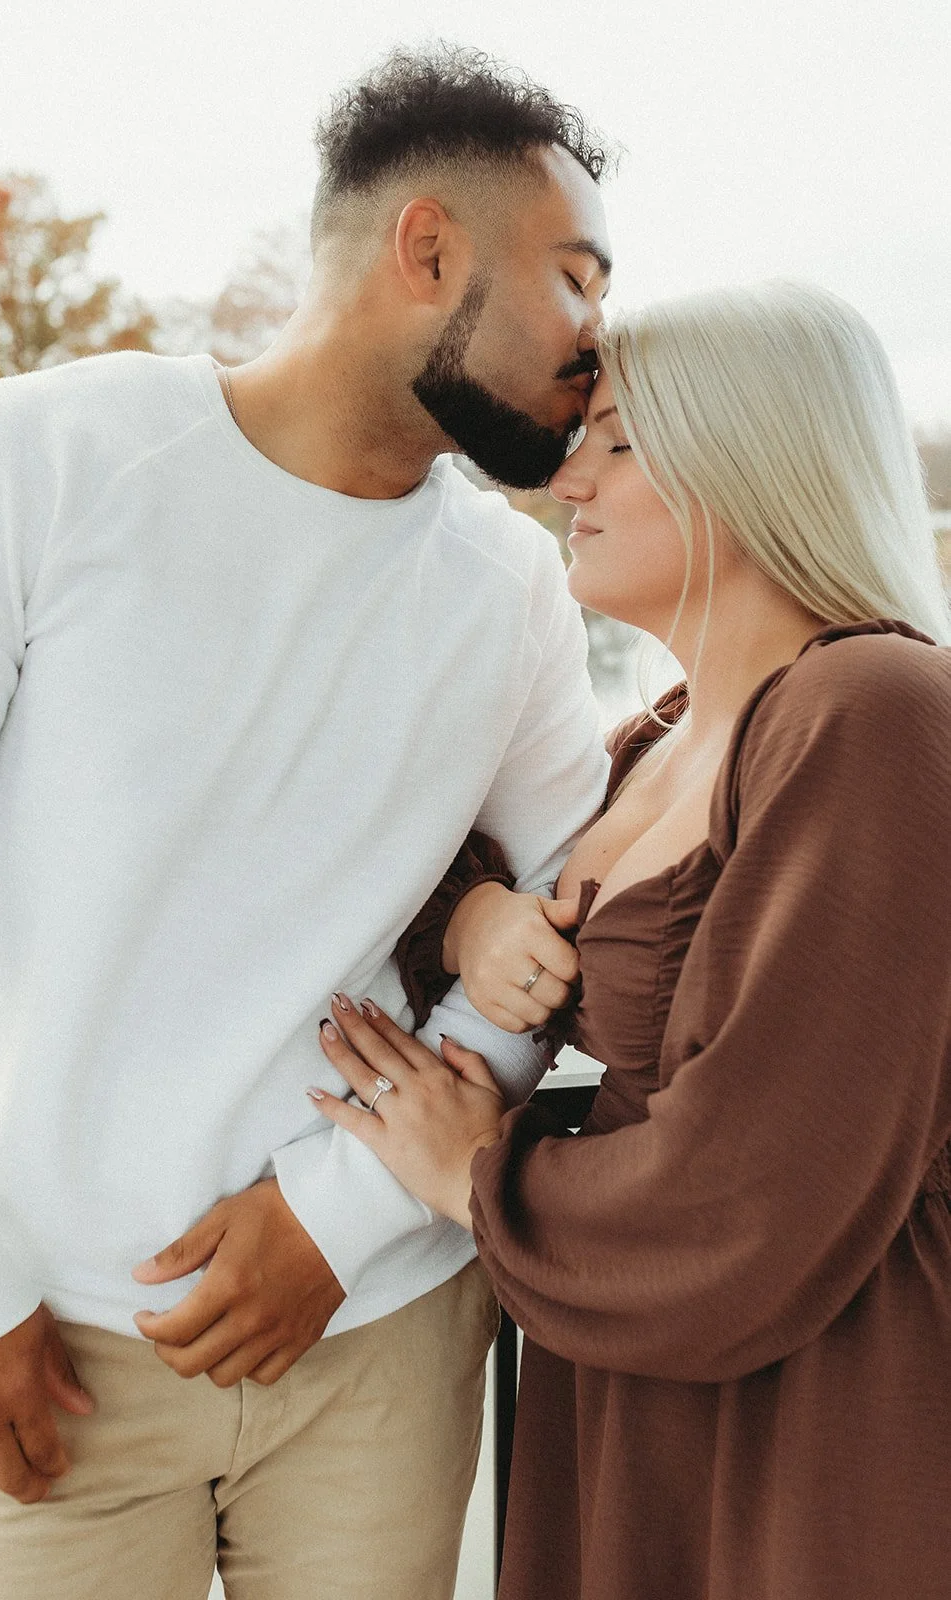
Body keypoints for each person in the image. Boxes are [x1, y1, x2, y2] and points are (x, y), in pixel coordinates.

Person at [0, 46, 615, 1600]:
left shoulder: (511, 589)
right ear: (429, 251)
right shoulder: (30, 462)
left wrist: (343, 1221)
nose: (596, 342)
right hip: (44, 1347)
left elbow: (576, 906)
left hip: (380, 1332)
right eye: (573, 279)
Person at [313, 279, 951, 1600]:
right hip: (633, 1386)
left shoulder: (871, 705)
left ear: (744, 457)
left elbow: (761, 1182)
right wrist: (480, 913)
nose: (567, 488)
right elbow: (445, 880)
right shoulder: (651, 749)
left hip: (817, 1394)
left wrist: (470, 1174)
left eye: (613, 442)